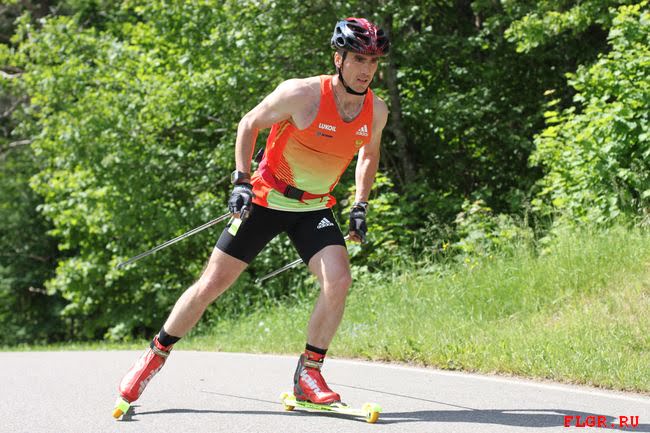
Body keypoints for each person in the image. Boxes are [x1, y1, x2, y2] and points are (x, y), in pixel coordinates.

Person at [113, 17, 390, 417]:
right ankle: (153, 357)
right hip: (265, 199)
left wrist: (360, 204)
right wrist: (241, 180)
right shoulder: (302, 94)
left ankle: (309, 375)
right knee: (211, 285)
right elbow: (249, 123)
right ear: (338, 59)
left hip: (313, 207)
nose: (367, 69)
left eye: (373, 61)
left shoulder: (375, 110)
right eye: (359, 59)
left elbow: (369, 153)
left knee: (339, 280)